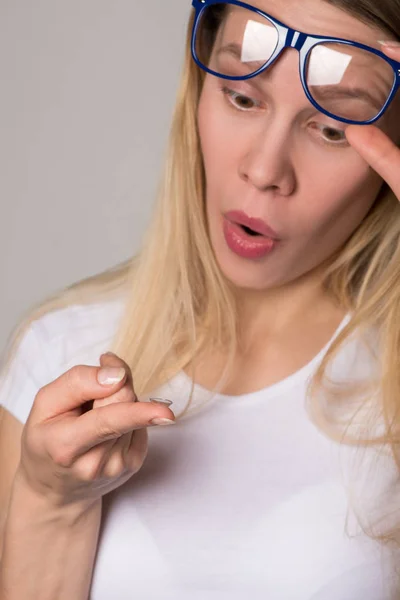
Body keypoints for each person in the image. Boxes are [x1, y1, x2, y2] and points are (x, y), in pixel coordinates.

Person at [1, 0, 400, 597]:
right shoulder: (61, 350)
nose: (265, 170)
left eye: (333, 128)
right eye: (242, 95)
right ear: (198, 87)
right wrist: (50, 503)